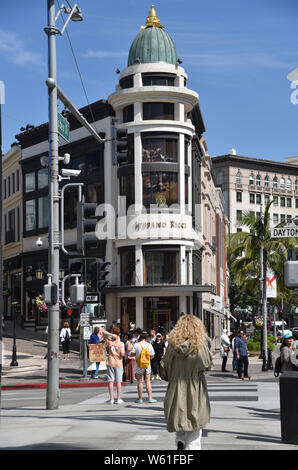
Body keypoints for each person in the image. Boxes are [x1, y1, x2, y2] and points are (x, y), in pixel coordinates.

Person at [159, 314, 213, 451]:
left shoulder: (171, 347)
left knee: (180, 419)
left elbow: (164, 371)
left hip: (176, 388)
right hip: (196, 388)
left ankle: (180, 440)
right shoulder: (199, 346)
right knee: (195, 425)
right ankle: (190, 447)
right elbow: (208, 364)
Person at [130, 331, 157, 404]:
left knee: (140, 381)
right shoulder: (149, 345)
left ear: (140, 337)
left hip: (138, 365)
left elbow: (132, 354)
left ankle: (140, 398)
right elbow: (152, 355)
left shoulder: (136, 345)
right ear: (146, 338)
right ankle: (150, 398)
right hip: (147, 365)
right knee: (147, 381)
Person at [103, 327, 125, 404]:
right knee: (118, 381)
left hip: (110, 362)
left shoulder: (109, 342)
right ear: (120, 334)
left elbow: (101, 331)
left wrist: (111, 334)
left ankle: (111, 399)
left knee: (110, 381)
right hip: (118, 363)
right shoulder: (121, 343)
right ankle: (118, 398)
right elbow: (122, 354)